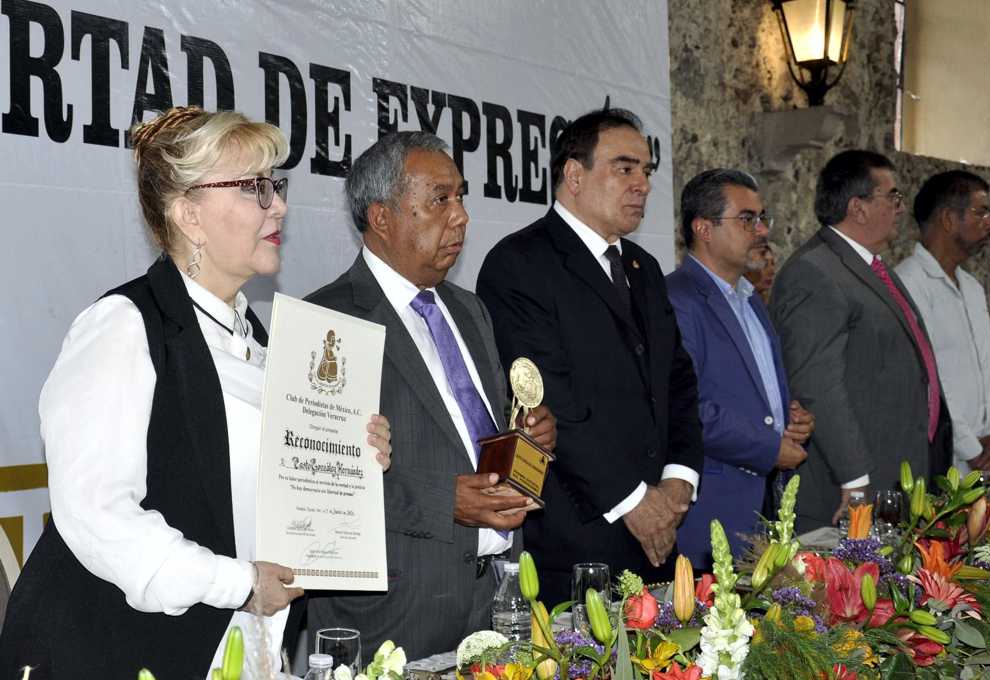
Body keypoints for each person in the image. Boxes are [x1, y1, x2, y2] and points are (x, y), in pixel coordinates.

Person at [0, 107, 393, 680]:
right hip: (113, 651)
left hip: (235, 650)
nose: (279, 206)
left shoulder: (259, 340)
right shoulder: (124, 325)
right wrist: (237, 584)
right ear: (189, 215)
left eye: (276, 185)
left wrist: (350, 455)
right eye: (255, 187)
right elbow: (96, 513)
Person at [304, 131, 556, 659]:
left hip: (496, 600)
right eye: (440, 199)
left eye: (460, 196)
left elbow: (475, 436)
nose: (461, 216)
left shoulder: (469, 309)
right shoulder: (329, 321)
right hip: (394, 615)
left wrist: (526, 437)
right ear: (381, 217)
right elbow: (319, 484)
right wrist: (447, 503)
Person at [476, 108, 704, 601]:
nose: (642, 184)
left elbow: (678, 382)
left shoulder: (643, 268)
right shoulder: (519, 265)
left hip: (661, 530)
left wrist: (678, 481)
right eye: (625, 168)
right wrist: (635, 502)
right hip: (577, 543)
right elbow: (549, 402)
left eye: (647, 170)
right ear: (574, 175)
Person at [769, 150, 951, 532]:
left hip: (895, 474)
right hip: (849, 487)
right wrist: (855, 479)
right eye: (893, 196)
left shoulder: (871, 267)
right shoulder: (815, 272)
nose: (900, 208)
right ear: (858, 207)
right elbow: (818, 386)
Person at [667, 169, 813, 569]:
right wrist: (769, 447)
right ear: (704, 228)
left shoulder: (749, 298)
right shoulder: (678, 299)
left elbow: (751, 391)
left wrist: (790, 418)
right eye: (747, 219)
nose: (762, 230)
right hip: (712, 507)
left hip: (764, 501)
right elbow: (687, 408)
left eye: (762, 218)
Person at [895, 171, 990, 476]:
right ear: (947, 219)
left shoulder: (972, 288)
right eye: (981, 212)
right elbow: (926, 380)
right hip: (938, 456)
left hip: (982, 457)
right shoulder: (908, 283)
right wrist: (971, 448)